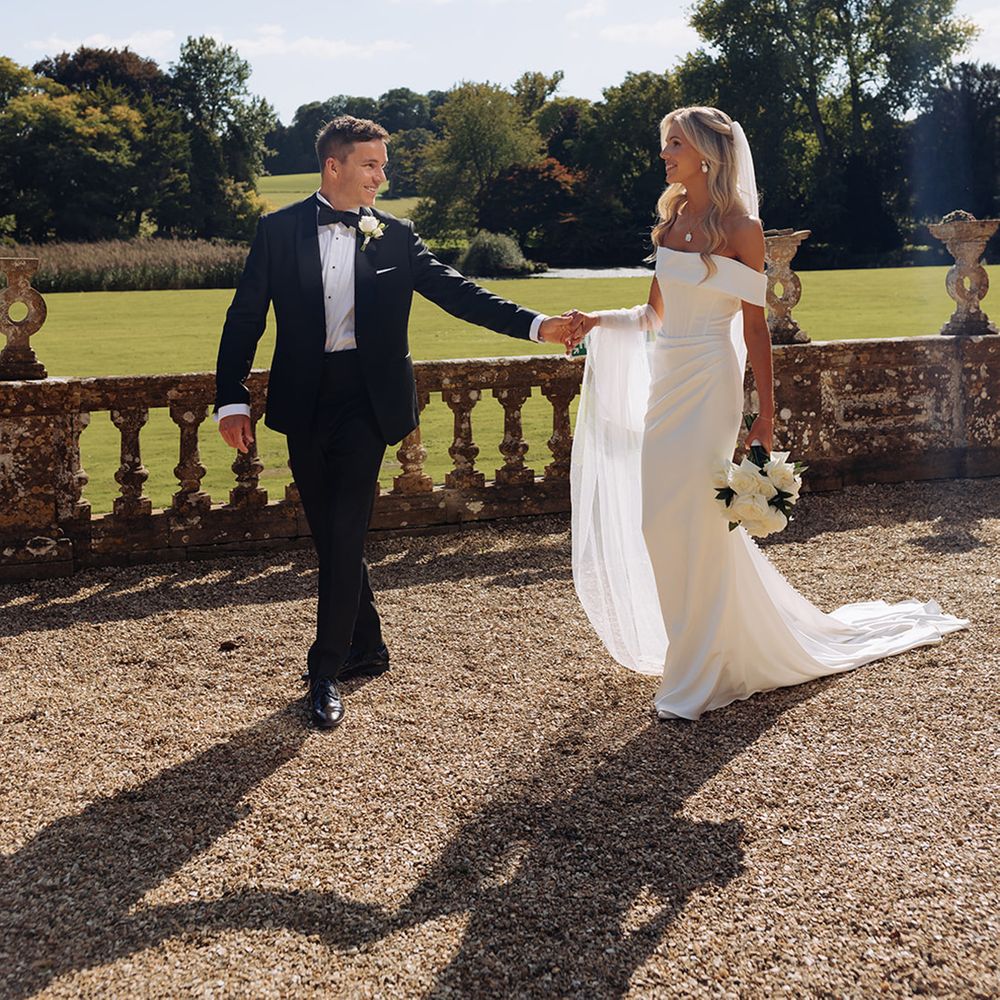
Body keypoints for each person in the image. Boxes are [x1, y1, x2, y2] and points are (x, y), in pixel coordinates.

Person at [565, 106, 967, 721]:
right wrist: (597, 320)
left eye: (675, 144)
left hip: (710, 382)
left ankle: (699, 669)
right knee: (658, 521)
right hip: (667, 380)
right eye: (666, 143)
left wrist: (766, 416)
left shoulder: (741, 228)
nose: (664, 154)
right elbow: (653, 316)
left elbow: (755, 328)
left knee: (699, 518)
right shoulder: (671, 220)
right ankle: (703, 643)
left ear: (706, 155)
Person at [215, 116, 573, 730]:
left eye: (383, 165)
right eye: (371, 165)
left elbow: (460, 293)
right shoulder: (277, 231)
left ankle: (325, 669)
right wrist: (232, 399)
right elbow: (245, 316)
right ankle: (368, 644)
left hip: (368, 401)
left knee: (345, 525)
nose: (382, 176)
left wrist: (540, 326)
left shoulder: (395, 235)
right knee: (330, 532)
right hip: (303, 400)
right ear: (334, 166)